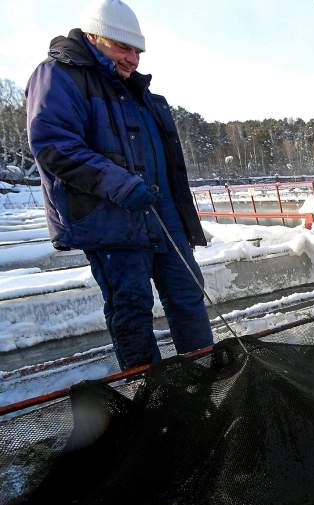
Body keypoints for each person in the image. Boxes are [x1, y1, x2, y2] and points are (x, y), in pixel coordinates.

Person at [26, 0, 213, 369]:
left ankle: (207, 377)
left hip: (162, 213)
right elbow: (54, 146)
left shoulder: (135, 90)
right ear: (95, 37)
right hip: (112, 219)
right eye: (124, 48)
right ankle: (150, 393)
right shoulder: (59, 76)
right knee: (131, 309)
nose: (133, 59)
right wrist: (121, 185)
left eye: (138, 51)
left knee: (188, 294)